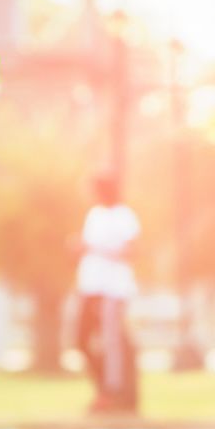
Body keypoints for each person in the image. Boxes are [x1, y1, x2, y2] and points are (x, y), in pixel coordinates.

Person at [74, 171, 141, 415]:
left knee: (113, 342)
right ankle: (104, 388)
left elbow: (131, 251)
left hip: (114, 288)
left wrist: (96, 249)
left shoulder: (124, 216)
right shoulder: (94, 215)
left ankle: (114, 392)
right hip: (91, 286)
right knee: (80, 340)